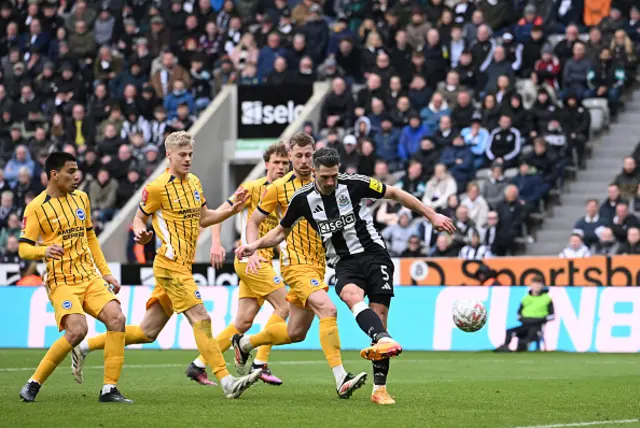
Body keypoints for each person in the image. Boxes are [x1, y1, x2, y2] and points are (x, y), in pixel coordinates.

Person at [235, 146, 455, 405]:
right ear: (315, 172)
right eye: (325, 176)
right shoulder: (302, 199)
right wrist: (255, 245)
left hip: (375, 255)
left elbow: (394, 193)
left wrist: (431, 215)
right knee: (350, 297)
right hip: (342, 262)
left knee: (355, 321)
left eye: (334, 176)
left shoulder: (355, 184)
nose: (330, 181)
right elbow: (281, 232)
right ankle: (364, 354)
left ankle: (379, 389)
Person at [71, 131, 263, 399]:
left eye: (190, 154)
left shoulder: (194, 182)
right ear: (168, 155)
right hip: (170, 266)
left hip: (182, 266)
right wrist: (140, 233)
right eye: (182, 155)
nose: (187, 159)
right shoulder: (157, 187)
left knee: (147, 332)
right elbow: (139, 219)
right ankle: (226, 380)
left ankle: (85, 347)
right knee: (202, 318)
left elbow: (205, 218)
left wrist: (233, 209)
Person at [227, 133, 368, 400]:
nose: (304, 161)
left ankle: (245, 343)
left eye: (308, 155)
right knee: (328, 309)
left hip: (318, 265)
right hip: (294, 263)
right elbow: (253, 221)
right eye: (299, 155)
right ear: (290, 156)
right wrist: (253, 248)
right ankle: (341, 378)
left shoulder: (328, 183)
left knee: (296, 333)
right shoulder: (278, 188)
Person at [18, 152, 130, 403]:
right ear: (54, 175)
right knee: (78, 330)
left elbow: (90, 238)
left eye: (77, 170)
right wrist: (43, 250)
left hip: (89, 276)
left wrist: (106, 273)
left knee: (117, 319)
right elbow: (23, 248)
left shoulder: (82, 198)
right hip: (62, 280)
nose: (76, 176)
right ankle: (34, 382)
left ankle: (109, 389)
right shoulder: (37, 207)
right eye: (70, 171)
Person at [186, 143, 291, 386]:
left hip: (263, 260)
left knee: (243, 322)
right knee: (284, 307)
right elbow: (220, 213)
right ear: (266, 164)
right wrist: (215, 243)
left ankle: (199, 364)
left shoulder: (286, 192)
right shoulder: (252, 188)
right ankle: (260, 363)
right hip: (250, 259)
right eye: (276, 162)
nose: (280, 167)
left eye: (285, 163)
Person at [494, 276, 554, 352]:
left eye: (538, 285)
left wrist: (540, 320)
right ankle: (505, 347)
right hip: (525, 324)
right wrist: (523, 319)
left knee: (525, 341)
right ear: (531, 286)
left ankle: (522, 348)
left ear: (542, 286)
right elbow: (519, 313)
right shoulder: (526, 298)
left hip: (537, 325)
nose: (536, 287)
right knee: (510, 331)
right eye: (535, 284)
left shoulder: (547, 299)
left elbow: (552, 315)